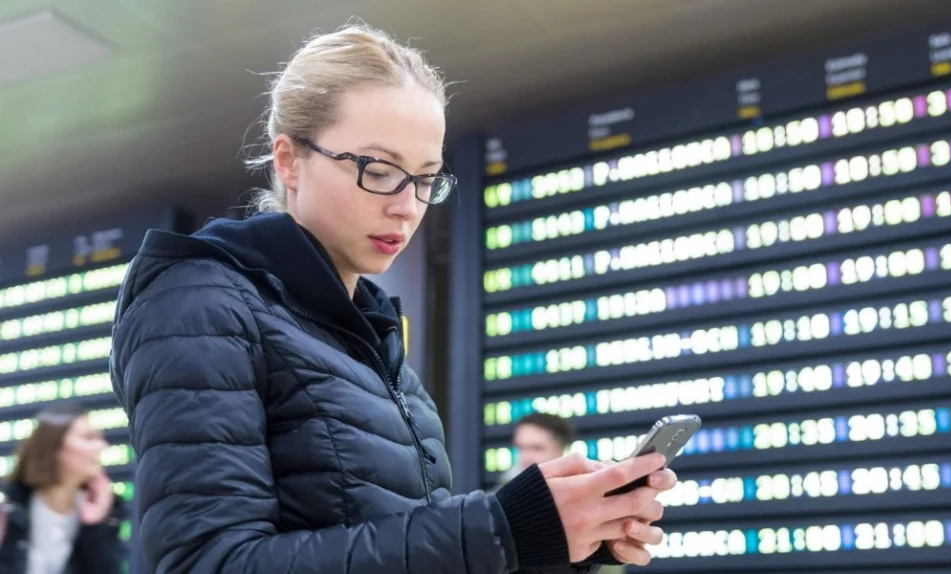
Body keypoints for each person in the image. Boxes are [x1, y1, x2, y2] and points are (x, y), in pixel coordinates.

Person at [108, 22, 676, 573]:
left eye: (426, 178)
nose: (408, 206)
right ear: (289, 160)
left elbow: (403, 546)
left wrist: (554, 541)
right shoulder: (199, 304)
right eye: (379, 171)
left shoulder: (369, 332)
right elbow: (208, 563)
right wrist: (500, 530)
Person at [0, 404, 126, 573]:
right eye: (89, 438)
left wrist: (94, 528)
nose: (102, 446)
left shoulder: (104, 514)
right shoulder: (10, 512)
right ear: (54, 446)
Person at [500, 413, 577, 485]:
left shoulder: (582, 489)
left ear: (561, 449)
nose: (526, 457)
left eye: (537, 448)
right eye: (521, 448)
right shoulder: (505, 486)